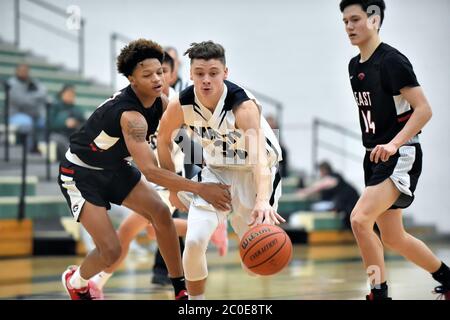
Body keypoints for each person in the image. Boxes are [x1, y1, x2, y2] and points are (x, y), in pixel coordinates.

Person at [58, 39, 231, 300]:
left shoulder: (162, 103)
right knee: (112, 250)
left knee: (160, 214)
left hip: (115, 167)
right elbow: (150, 171)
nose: (157, 79)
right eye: (147, 75)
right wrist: (200, 188)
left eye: (160, 72)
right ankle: (76, 280)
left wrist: (216, 162)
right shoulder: (130, 117)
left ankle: (180, 290)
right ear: (132, 79)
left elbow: (182, 138)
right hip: (81, 174)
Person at [157, 41, 286, 300]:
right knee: (193, 243)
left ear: (225, 73)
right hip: (216, 171)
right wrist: (172, 187)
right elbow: (163, 139)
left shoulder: (243, 107)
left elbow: (260, 159)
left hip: (254, 173)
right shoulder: (180, 105)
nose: (206, 80)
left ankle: (235, 234)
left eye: (213, 73)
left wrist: (262, 201)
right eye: (200, 73)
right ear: (190, 74)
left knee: (254, 265)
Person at [340, 0, 450, 300]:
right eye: (345, 21)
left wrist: (393, 144)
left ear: (374, 19)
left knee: (360, 220)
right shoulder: (355, 65)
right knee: (392, 236)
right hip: (374, 157)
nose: (349, 27)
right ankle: (447, 278)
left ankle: (379, 293)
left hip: (400, 154)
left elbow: (424, 110)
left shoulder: (392, 61)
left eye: (355, 19)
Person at [296, 161, 359, 230]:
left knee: (314, 208)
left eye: (320, 171)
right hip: (347, 205)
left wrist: (305, 191)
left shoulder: (333, 177)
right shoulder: (335, 177)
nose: (320, 174)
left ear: (324, 170)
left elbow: (320, 186)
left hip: (349, 206)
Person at [7, 63, 47, 152]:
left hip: (33, 114)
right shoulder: (11, 84)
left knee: (43, 121)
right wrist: (35, 98)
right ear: (17, 71)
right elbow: (22, 101)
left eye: (26, 71)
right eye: (21, 71)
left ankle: (39, 148)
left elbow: (44, 93)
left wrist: (30, 97)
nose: (24, 72)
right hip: (15, 114)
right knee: (27, 122)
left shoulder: (33, 82)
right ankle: (28, 150)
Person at [49, 84, 85, 161]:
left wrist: (76, 124)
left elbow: (83, 124)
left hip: (72, 135)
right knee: (62, 142)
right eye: (68, 94)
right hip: (57, 134)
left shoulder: (76, 109)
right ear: (62, 94)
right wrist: (65, 123)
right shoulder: (54, 106)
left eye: (72, 94)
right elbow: (50, 123)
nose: (70, 96)